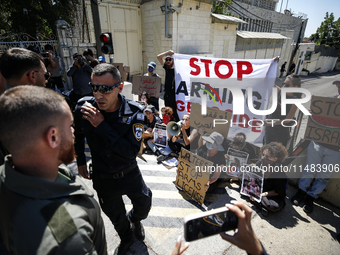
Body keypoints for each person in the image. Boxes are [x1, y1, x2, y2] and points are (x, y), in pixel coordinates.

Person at [0, 86, 107, 254]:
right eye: (70, 125)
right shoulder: (65, 232)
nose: (73, 131)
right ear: (53, 137)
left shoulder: (6, 174)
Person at [74, 63, 152, 255]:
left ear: (119, 87)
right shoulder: (84, 107)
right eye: (94, 88)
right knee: (116, 216)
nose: (98, 95)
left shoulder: (135, 112)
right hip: (103, 176)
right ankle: (126, 238)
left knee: (144, 204)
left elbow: (129, 151)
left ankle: (135, 220)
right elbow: (78, 134)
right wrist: (81, 161)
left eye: (106, 89)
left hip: (129, 173)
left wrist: (101, 125)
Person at [291, 80, 340, 213]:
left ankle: (311, 197)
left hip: (336, 149)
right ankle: (301, 191)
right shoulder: (327, 103)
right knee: (309, 169)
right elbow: (314, 120)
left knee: (324, 175)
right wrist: (312, 112)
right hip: (317, 143)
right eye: (339, 85)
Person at [251, 142, 288, 216]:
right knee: (242, 177)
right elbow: (253, 172)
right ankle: (256, 200)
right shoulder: (261, 162)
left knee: (274, 206)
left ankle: (255, 199)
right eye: (263, 155)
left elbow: (277, 192)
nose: (263, 158)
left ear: (275, 158)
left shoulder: (279, 174)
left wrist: (260, 195)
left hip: (271, 194)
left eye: (267, 156)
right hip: (260, 187)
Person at [264, 74, 301, 147]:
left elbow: (287, 120)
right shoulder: (279, 91)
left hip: (281, 131)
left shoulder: (295, 100)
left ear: (295, 87)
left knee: (277, 153)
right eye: (283, 83)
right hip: (270, 128)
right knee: (266, 149)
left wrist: (269, 123)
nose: (284, 86)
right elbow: (269, 82)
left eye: (287, 85)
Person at [157, 50, 179, 121]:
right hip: (167, 94)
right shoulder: (166, 67)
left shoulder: (177, 68)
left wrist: (175, 55)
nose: (168, 61)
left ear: (173, 60)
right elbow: (158, 57)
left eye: (170, 59)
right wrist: (167, 52)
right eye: (167, 60)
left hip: (175, 94)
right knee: (167, 110)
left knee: (174, 110)